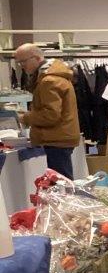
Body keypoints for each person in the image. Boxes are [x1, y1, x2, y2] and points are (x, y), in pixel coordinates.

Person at [13, 43, 80, 179]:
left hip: (54, 140)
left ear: (37, 58)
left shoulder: (49, 81)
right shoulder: (53, 77)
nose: (21, 66)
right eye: (19, 63)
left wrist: (25, 117)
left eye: (23, 61)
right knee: (61, 181)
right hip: (59, 137)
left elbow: (50, 115)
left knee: (59, 184)